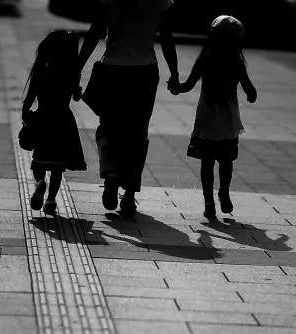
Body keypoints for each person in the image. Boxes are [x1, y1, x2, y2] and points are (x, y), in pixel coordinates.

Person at [77, 0, 179, 217]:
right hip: (145, 71)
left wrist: (77, 68)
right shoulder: (162, 2)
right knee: (137, 132)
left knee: (109, 127)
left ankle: (111, 171)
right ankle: (130, 193)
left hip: (113, 69)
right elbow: (167, 38)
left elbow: (95, 32)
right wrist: (175, 74)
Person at [168, 15, 257, 220]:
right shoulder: (236, 61)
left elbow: (187, 86)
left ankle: (209, 200)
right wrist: (251, 95)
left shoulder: (205, 58)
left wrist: (175, 87)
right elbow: (249, 87)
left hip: (207, 119)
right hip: (227, 120)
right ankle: (222, 192)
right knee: (226, 160)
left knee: (207, 161)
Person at [22, 29, 87, 216]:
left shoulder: (41, 69)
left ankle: (39, 183)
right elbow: (76, 97)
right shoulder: (71, 72)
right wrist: (77, 87)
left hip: (43, 117)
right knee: (58, 165)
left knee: (39, 161)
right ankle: (50, 201)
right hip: (63, 119)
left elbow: (29, 97)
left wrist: (25, 114)